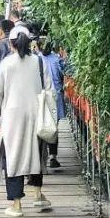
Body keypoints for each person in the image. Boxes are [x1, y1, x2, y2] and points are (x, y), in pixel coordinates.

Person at [0, 23, 55, 218]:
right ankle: (38, 195)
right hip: (36, 114)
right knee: (35, 153)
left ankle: (16, 205)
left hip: (11, 117)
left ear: (11, 44)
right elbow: (50, 90)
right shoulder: (39, 62)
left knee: (13, 156)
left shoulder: (6, 64)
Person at [39, 39, 66, 170]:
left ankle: (52, 157)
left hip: (52, 97)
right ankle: (46, 157)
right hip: (45, 97)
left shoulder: (56, 59)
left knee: (52, 127)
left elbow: (66, 71)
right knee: (47, 126)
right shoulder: (36, 59)